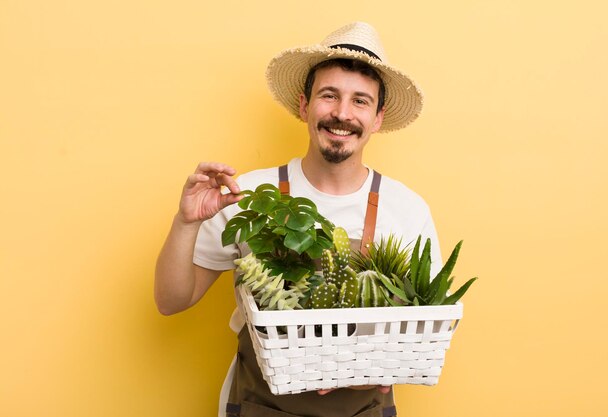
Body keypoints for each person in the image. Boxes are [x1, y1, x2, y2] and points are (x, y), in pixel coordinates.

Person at [155, 22, 443, 417]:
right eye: (329, 95)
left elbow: (426, 329)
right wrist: (185, 223)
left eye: (361, 101)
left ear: (378, 117)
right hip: (260, 405)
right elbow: (172, 301)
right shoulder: (248, 196)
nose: (342, 114)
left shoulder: (407, 209)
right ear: (304, 104)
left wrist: (369, 366)